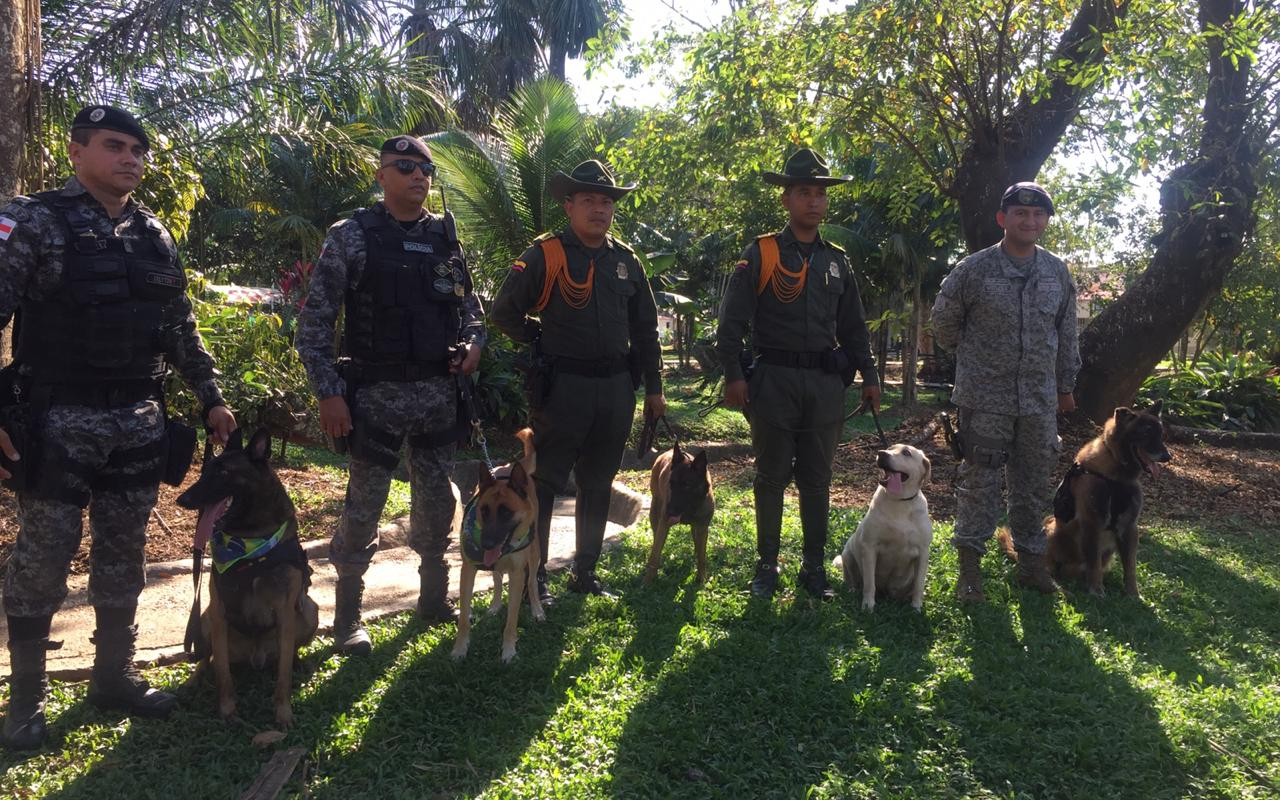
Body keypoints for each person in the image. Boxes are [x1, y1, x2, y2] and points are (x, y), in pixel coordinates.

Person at [0, 105, 237, 749]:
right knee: (42, 557)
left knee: (123, 550)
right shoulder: (34, 221)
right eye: (114, 146)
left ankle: (113, 676)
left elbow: (179, 327)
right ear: (77, 152)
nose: (130, 158)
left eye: (137, 148)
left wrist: (211, 397)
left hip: (138, 418)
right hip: (57, 420)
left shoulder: (154, 235)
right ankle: (25, 704)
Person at [295, 135, 484, 654]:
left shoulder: (446, 239)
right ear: (381, 176)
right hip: (375, 395)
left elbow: (472, 311)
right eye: (404, 167)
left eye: (425, 168)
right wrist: (328, 393)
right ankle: (348, 619)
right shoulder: (351, 236)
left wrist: (473, 344)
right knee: (363, 506)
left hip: (437, 394)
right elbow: (314, 325)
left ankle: (432, 599)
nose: (418, 175)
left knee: (437, 498)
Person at [490, 160, 664, 601]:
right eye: (588, 200)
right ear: (569, 206)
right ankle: (537, 574)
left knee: (599, 481)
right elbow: (504, 311)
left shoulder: (626, 261)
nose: (599, 209)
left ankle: (585, 571)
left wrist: (656, 388)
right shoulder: (546, 254)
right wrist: (538, 338)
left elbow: (645, 329)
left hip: (615, 387)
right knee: (545, 483)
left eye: (606, 201)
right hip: (562, 387)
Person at [715, 148, 880, 601]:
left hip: (825, 384)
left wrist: (869, 375)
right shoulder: (762, 252)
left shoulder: (837, 259)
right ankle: (766, 566)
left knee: (817, 477)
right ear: (786, 198)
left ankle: (812, 568)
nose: (814, 201)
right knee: (770, 475)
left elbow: (853, 327)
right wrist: (734, 375)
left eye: (821, 193)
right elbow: (731, 323)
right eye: (804, 192)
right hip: (773, 380)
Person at [930, 181, 1081, 602]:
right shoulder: (973, 270)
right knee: (979, 484)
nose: (1029, 221)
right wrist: (978, 360)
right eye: (1020, 214)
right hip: (984, 400)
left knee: (1033, 484)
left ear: (1046, 222)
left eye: (1037, 215)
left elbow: (1067, 334)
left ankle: (1032, 566)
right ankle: (970, 573)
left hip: (1037, 401)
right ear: (1003, 219)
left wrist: (1065, 385)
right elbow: (943, 324)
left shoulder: (1056, 272)